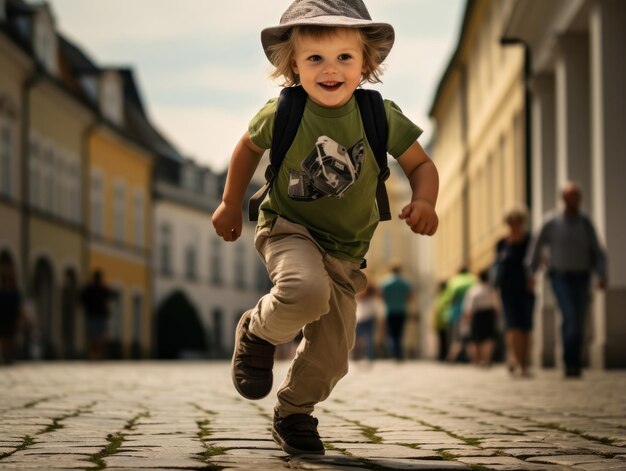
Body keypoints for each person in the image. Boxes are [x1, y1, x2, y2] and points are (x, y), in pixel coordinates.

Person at [212, 0, 439, 456]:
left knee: (334, 353)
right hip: (288, 227)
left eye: (344, 58)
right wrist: (229, 203)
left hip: (346, 252)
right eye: (315, 58)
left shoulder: (381, 116)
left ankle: (294, 412)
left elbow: (421, 164)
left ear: (365, 63)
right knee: (304, 288)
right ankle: (257, 332)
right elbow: (246, 150)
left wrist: (424, 200)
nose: (330, 69)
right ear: (293, 63)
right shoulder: (283, 112)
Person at [526, 181, 607, 378]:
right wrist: (531, 272)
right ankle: (570, 362)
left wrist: (602, 273)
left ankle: (574, 361)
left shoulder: (585, 223)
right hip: (560, 277)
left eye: (577, 197)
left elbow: (597, 250)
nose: (574, 201)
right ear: (563, 198)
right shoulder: (551, 222)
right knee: (570, 315)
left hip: (582, 276)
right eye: (570, 197)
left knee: (578, 319)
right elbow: (536, 247)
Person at [495, 205, 535, 377]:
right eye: (511, 221)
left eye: (517, 221)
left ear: (523, 221)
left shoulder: (529, 241)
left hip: (526, 288)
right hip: (507, 289)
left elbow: (536, 261)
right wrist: (495, 290)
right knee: (513, 326)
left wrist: (533, 278)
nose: (514, 225)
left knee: (526, 326)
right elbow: (497, 268)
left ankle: (523, 360)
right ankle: (519, 364)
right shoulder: (501, 243)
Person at [462, 269, 500, 367]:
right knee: (488, 337)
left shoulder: (474, 290)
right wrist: (497, 313)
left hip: (477, 315)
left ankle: (477, 360)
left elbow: (469, 305)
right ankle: (487, 359)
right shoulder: (491, 289)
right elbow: (496, 303)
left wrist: (467, 318)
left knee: (476, 338)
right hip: (488, 314)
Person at [380, 263, 413, 360]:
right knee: (400, 332)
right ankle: (399, 353)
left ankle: (394, 352)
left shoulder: (385, 282)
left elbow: (382, 297)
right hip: (401, 310)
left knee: (392, 332)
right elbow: (409, 297)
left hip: (390, 310)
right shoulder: (405, 282)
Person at [80, 270, 114, 360]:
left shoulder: (89, 288)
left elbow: (81, 298)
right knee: (101, 336)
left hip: (92, 314)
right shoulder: (102, 288)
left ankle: (93, 354)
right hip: (100, 315)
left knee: (93, 336)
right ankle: (99, 354)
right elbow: (112, 295)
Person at [444, 267, 476, 363]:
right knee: (470, 336)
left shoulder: (455, 281)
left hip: (457, 311)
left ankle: (452, 356)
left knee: (457, 337)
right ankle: (474, 358)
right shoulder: (472, 279)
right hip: (472, 311)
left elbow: (449, 297)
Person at [0, 262, 23, 365]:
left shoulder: (15, 292)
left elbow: (18, 306)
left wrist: (19, 318)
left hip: (12, 317)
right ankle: (5, 356)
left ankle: (9, 356)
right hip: (3, 317)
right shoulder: (3, 291)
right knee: (4, 338)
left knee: (10, 338)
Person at [354, 281, 381, 361]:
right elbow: (375, 308)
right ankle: (368, 356)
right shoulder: (371, 297)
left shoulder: (358, 297)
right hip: (368, 318)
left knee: (357, 339)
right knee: (368, 338)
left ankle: (358, 355)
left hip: (361, 319)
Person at [431, 280, 449, 361]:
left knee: (443, 340)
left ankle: (444, 355)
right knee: (443, 339)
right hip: (443, 320)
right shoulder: (444, 295)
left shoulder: (443, 296)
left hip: (444, 320)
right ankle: (442, 355)